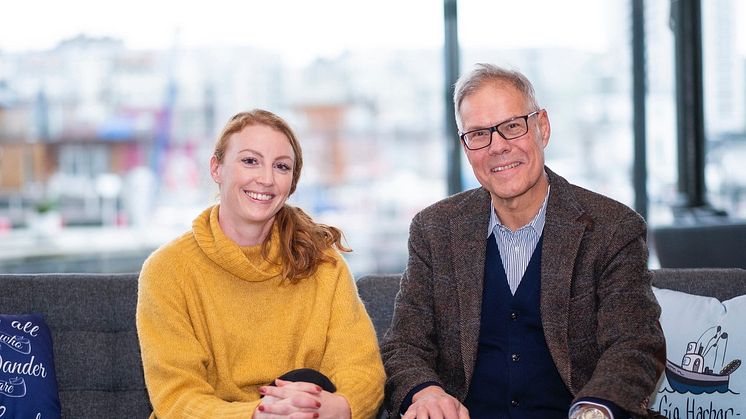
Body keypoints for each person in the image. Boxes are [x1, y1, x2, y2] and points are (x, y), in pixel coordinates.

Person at [380, 64, 666, 419]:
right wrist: (427, 394)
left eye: (512, 127)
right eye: (479, 134)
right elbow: (404, 345)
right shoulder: (434, 229)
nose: (498, 147)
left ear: (542, 127)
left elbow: (634, 344)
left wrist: (594, 411)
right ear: (465, 147)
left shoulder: (611, 228)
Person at [137, 109, 385, 418]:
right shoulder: (167, 270)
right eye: (250, 161)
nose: (266, 179)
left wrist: (340, 407)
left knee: (309, 382)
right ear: (217, 168)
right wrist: (259, 415)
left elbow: (361, 367)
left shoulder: (322, 262)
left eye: (281, 167)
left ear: (292, 183)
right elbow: (177, 397)